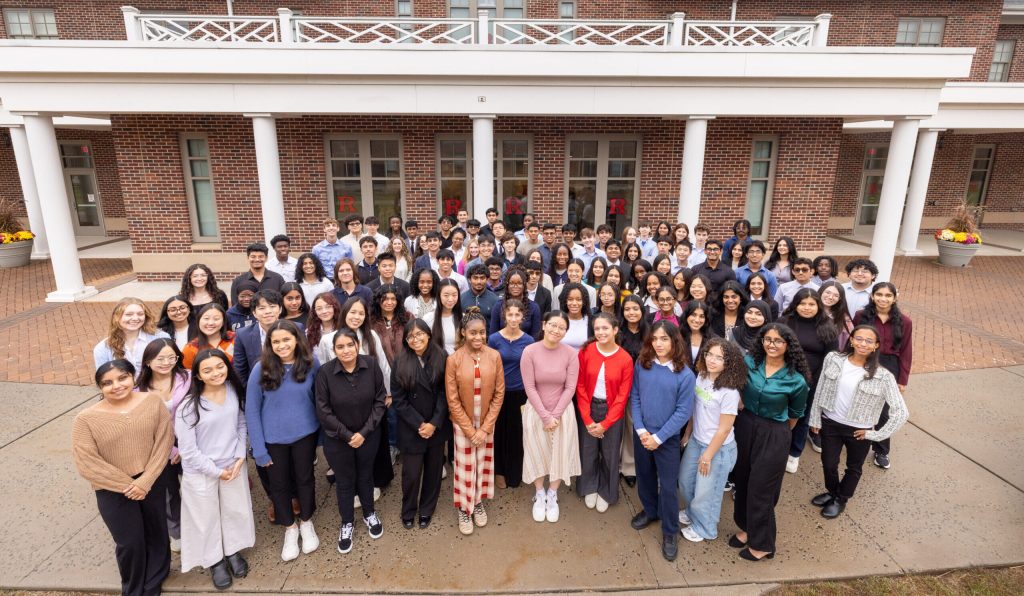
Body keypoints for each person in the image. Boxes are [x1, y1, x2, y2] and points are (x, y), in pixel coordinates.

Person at [72, 360, 174, 596]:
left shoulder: (152, 402)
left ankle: (154, 581)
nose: (116, 385)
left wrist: (145, 480)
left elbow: (163, 441)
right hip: (113, 488)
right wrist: (129, 485)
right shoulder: (85, 419)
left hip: (151, 479)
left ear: (132, 377)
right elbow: (87, 462)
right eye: (107, 383)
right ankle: (134, 588)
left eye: (122, 378)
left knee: (156, 531)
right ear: (100, 388)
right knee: (129, 542)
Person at [808, 325, 909, 518]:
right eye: (859, 338)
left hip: (859, 430)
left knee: (853, 468)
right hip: (830, 422)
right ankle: (832, 491)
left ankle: (841, 499)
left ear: (876, 346)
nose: (863, 343)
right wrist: (815, 417)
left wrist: (875, 434)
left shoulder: (883, 376)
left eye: (869, 341)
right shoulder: (834, 359)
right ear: (851, 340)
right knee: (828, 463)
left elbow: (901, 413)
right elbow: (820, 388)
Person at [176, 349, 255, 589]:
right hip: (202, 472)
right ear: (198, 375)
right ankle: (215, 560)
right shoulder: (189, 407)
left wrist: (240, 455)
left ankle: (232, 551)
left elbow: (241, 423)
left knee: (234, 510)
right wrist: (216, 472)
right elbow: (188, 451)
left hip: (232, 463)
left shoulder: (233, 391)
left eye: (219, 367)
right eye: (207, 370)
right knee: (206, 517)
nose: (215, 373)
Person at [731, 323, 810, 562]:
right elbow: (739, 389)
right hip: (746, 425)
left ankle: (763, 544)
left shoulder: (796, 381)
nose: (771, 344)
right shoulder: (750, 364)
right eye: (767, 339)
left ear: (788, 346)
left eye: (777, 341)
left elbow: (795, 416)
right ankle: (747, 528)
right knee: (742, 480)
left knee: (761, 488)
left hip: (775, 432)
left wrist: (774, 432)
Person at [245, 321, 321, 561]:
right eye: (275, 341)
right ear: (269, 344)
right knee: (278, 485)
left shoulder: (311, 364)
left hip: (305, 435)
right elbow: (252, 410)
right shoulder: (261, 369)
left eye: (286, 340)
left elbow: (320, 398)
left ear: (297, 339)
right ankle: (290, 528)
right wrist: (258, 448)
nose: (281, 345)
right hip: (273, 440)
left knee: (305, 479)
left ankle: (307, 522)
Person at [315, 329, 387, 554]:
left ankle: (369, 513)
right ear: (333, 350)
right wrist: (347, 435)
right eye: (340, 347)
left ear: (357, 345)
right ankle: (347, 522)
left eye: (349, 345)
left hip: (368, 436)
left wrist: (364, 433)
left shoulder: (371, 365)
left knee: (366, 476)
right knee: (345, 482)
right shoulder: (325, 373)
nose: (345, 350)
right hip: (338, 440)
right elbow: (323, 411)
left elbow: (380, 400)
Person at [628, 321, 695, 562]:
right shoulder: (642, 364)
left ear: (675, 341)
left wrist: (658, 437)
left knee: (668, 486)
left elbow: (683, 411)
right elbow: (634, 396)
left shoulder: (685, 374)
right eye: (655, 338)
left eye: (664, 339)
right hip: (643, 434)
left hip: (665, 439)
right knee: (644, 476)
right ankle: (650, 510)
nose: (658, 343)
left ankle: (670, 531)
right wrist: (641, 429)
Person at [678, 337, 745, 543]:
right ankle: (692, 513)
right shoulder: (702, 376)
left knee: (707, 492)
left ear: (729, 363)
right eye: (710, 355)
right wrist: (688, 434)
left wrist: (707, 456)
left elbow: (724, 429)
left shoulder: (730, 392)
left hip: (717, 449)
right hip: (697, 441)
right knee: (685, 482)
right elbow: (695, 410)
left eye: (720, 357)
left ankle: (706, 528)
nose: (712, 360)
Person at [445, 308, 506, 535]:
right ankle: (464, 507)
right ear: (463, 332)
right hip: (463, 425)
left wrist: (486, 427)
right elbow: (452, 399)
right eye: (473, 333)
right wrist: (470, 430)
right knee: (464, 467)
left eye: (482, 332)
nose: (478, 337)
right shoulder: (454, 359)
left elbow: (499, 394)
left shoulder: (494, 356)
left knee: (482, 463)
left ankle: (477, 502)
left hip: (487, 422)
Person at [521, 312, 581, 523]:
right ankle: (539, 493)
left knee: (559, 454)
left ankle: (552, 494)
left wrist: (554, 415)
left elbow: (570, 387)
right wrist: (545, 416)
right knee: (537, 453)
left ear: (566, 331)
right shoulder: (530, 351)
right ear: (544, 325)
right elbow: (529, 386)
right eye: (553, 325)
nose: (556, 330)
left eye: (561, 327)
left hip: (562, 412)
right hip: (536, 412)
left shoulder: (571, 354)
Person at [392, 319, 450, 529]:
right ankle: (408, 510)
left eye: (419, 334)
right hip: (412, 428)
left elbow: (446, 393)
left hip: (436, 425)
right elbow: (399, 400)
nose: (415, 340)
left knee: (434, 472)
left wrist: (434, 423)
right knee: (411, 474)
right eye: (411, 336)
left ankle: (427, 509)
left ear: (428, 334)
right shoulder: (400, 361)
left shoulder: (441, 356)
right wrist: (420, 424)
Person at [136, 338, 191, 553]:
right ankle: (176, 532)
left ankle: (198, 526)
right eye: (160, 358)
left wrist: (184, 446)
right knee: (169, 491)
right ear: (148, 361)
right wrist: (170, 449)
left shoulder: (187, 379)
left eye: (172, 357)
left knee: (194, 487)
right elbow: (143, 427)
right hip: (159, 447)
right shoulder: (138, 390)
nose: (166, 362)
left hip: (189, 440)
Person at [576, 313, 634, 513]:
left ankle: (606, 491)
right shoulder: (586, 351)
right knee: (588, 450)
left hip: (613, 412)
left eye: (605, 328)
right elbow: (580, 385)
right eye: (597, 328)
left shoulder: (625, 359)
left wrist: (605, 423)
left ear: (615, 330)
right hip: (589, 408)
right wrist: (587, 418)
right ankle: (589, 486)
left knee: (609, 453)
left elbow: (622, 396)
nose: (600, 332)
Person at [853, 282, 912, 470]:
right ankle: (855, 440)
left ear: (895, 298)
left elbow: (906, 351)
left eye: (888, 296)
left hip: (889, 365)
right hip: (863, 360)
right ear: (872, 296)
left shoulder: (904, 321)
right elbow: (852, 341)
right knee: (859, 402)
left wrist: (902, 379)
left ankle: (881, 450)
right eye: (879, 294)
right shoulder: (861, 316)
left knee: (885, 411)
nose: (883, 299)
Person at [778, 289, 839, 474]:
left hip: (810, 381)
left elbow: (831, 359)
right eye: (802, 303)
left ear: (818, 306)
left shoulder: (827, 327)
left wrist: (816, 381)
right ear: (795, 304)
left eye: (811, 304)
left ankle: (794, 453)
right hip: (781, 377)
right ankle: (778, 447)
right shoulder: (784, 322)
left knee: (802, 416)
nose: (806, 307)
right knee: (779, 413)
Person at [487, 299, 535, 490]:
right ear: (504, 316)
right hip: (499, 392)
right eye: (510, 314)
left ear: (522, 316)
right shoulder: (494, 339)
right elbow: (489, 366)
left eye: (517, 314)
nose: (513, 318)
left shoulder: (529, 341)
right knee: (499, 432)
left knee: (517, 434)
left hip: (520, 393)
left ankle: (515, 471)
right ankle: (499, 471)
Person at [94, 297, 170, 372]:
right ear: (116, 317)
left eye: (140, 314)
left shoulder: (161, 337)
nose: (135, 318)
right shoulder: (102, 348)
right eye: (129, 314)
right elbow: (103, 379)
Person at [489, 267, 541, 337]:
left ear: (524, 285)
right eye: (512, 283)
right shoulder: (498, 306)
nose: (515, 286)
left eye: (519, 283)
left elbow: (535, 336)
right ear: (507, 285)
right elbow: (493, 335)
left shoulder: (534, 307)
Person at [182, 303, 235, 369]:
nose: (210, 323)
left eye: (216, 319)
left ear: (223, 322)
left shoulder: (235, 338)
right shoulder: (190, 348)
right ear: (199, 320)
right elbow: (189, 374)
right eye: (206, 318)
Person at [371, 284, 411, 366]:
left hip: (406, 367)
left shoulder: (407, 317)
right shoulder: (371, 320)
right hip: (380, 367)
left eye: (393, 299)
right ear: (378, 300)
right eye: (385, 299)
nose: (389, 303)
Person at [424, 278, 462, 355]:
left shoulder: (464, 318)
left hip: (459, 363)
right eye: (446, 295)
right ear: (439, 296)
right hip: (437, 364)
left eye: (454, 295)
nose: (450, 299)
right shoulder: (428, 319)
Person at [460, 264, 499, 329]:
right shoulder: (461, 299)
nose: (479, 282)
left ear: (487, 279)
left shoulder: (495, 300)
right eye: (475, 278)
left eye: (482, 278)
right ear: (469, 280)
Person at [819, 280, 854, 350]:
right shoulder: (810, 311)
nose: (830, 297)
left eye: (836, 295)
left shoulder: (844, 319)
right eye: (828, 293)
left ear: (840, 299)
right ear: (821, 292)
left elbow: (847, 342)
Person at [681, 300, 714, 369]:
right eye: (693, 315)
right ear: (686, 315)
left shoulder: (713, 339)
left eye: (701, 316)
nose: (697, 320)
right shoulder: (677, 335)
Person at [559, 282, 592, 350]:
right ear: (565, 301)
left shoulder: (591, 321)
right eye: (570, 299)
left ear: (584, 302)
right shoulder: (558, 320)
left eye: (578, 299)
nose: (574, 303)